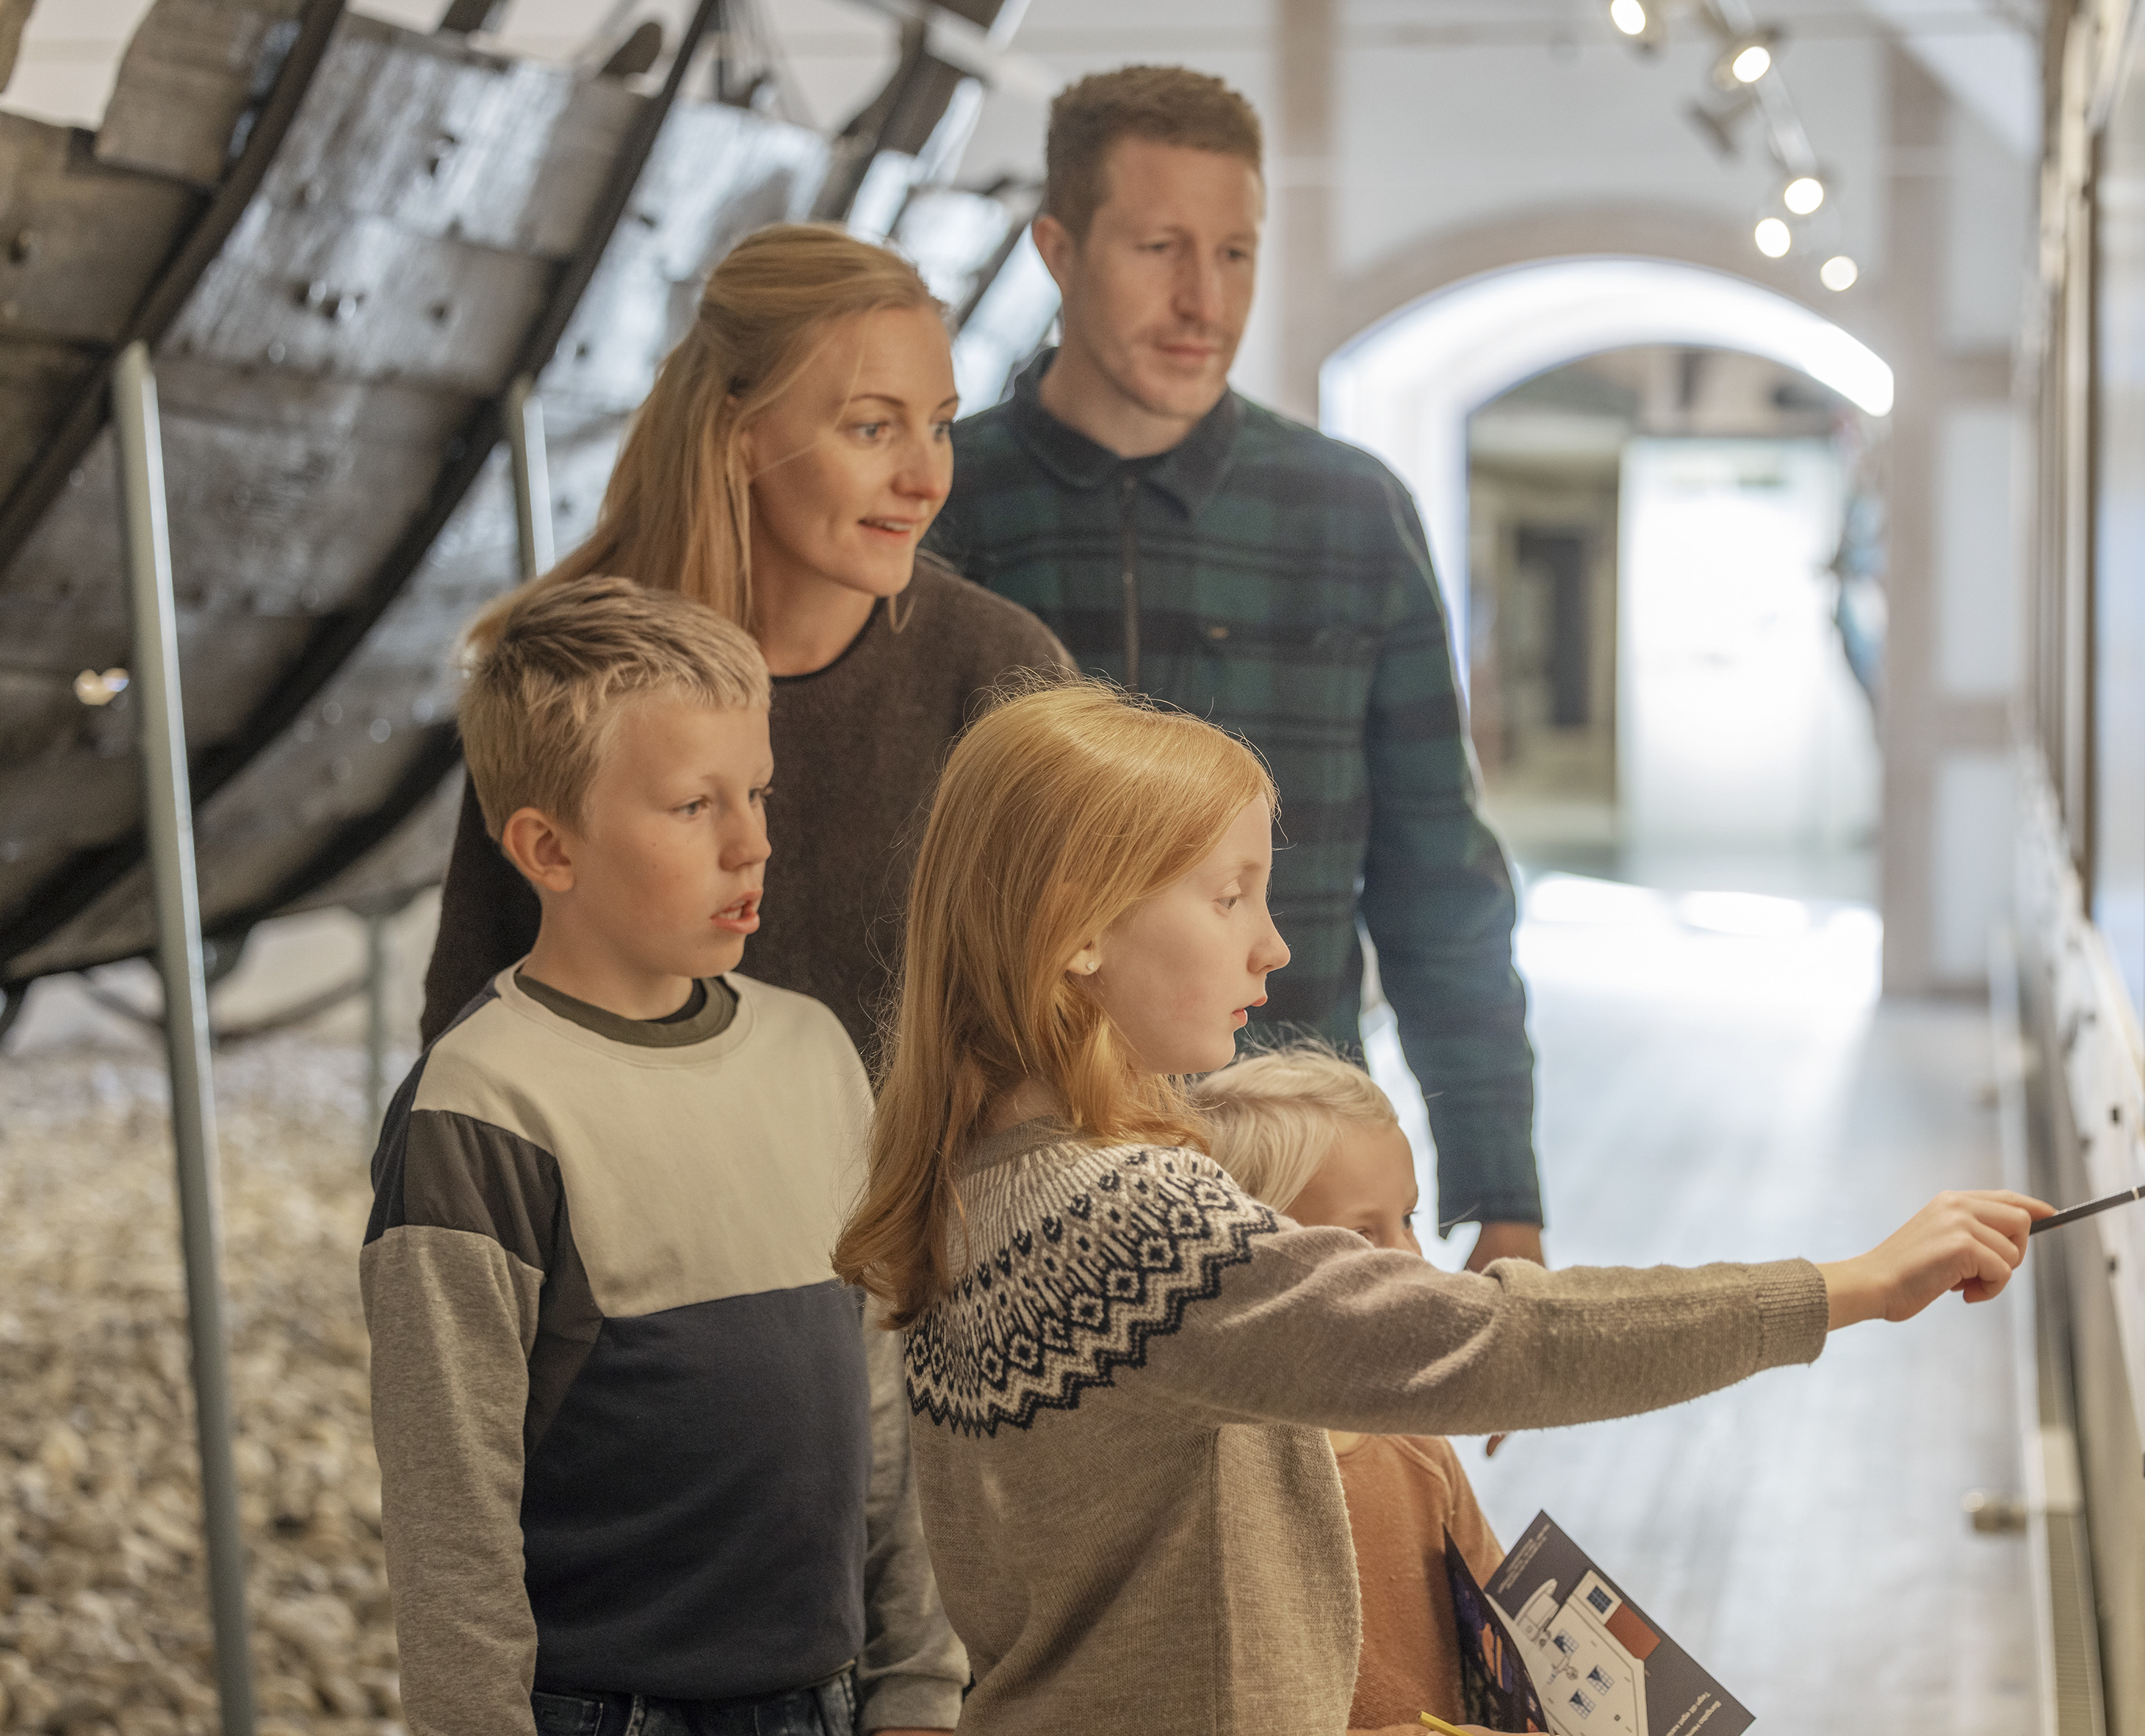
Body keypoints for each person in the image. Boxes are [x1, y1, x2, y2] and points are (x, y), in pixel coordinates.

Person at [834, 680, 2051, 1735]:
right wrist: (1845, 1285)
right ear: (1077, 921)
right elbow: (1495, 1340)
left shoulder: (973, 1187)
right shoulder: (1125, 1220)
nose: (1270, 946)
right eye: (1228, 895)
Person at [925, 68, 1546, 1270]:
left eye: (1234, 254)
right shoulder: (943, 505)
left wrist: (1498, 1183)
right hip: (1019, 1178)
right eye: (1158, 246)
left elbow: (1437, 875)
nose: (1200, 299)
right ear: (1056, 249)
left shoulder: (1350, 510)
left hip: (1303, 1175)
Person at [363, 577, 964, 1736]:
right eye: (694, 805)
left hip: (839, 1698)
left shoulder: (815, 1050)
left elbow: (884, 1397)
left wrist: (917, 1685)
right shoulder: (481, 1108)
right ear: (548, 846)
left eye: (756, 791)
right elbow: (452, 1517)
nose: (754, 840)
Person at [422, 224, 1069, 1053]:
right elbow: (472, 1014)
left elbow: (1076, 1005)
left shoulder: (1003, 669)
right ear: (739, 429)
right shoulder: (571, 672)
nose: (925, 477)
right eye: (872, 428)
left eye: (939, 425)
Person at [1190, 1045, 1507, 1736]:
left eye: (1409, 1219)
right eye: (1364, 1231)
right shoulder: (1210, 1485)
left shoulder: (1417, 1446)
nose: (1409, 1256)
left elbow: (1508, 1626)